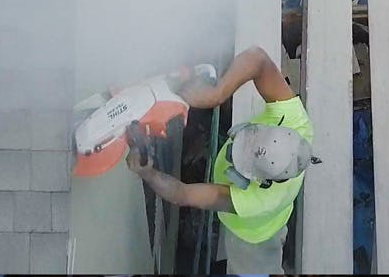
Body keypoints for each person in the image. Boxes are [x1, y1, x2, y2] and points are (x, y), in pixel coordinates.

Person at [125, 46, 316, 274]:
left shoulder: (256, 200)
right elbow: (257, 59)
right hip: (275, 214)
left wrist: (148, 173)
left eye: (237, 158)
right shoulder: (295, 122)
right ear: (274, 126)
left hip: (252, 237)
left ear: (260, 180)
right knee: (277, 227)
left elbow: (183, 193)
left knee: (256, 269)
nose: (231, 148)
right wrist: (217, 94)